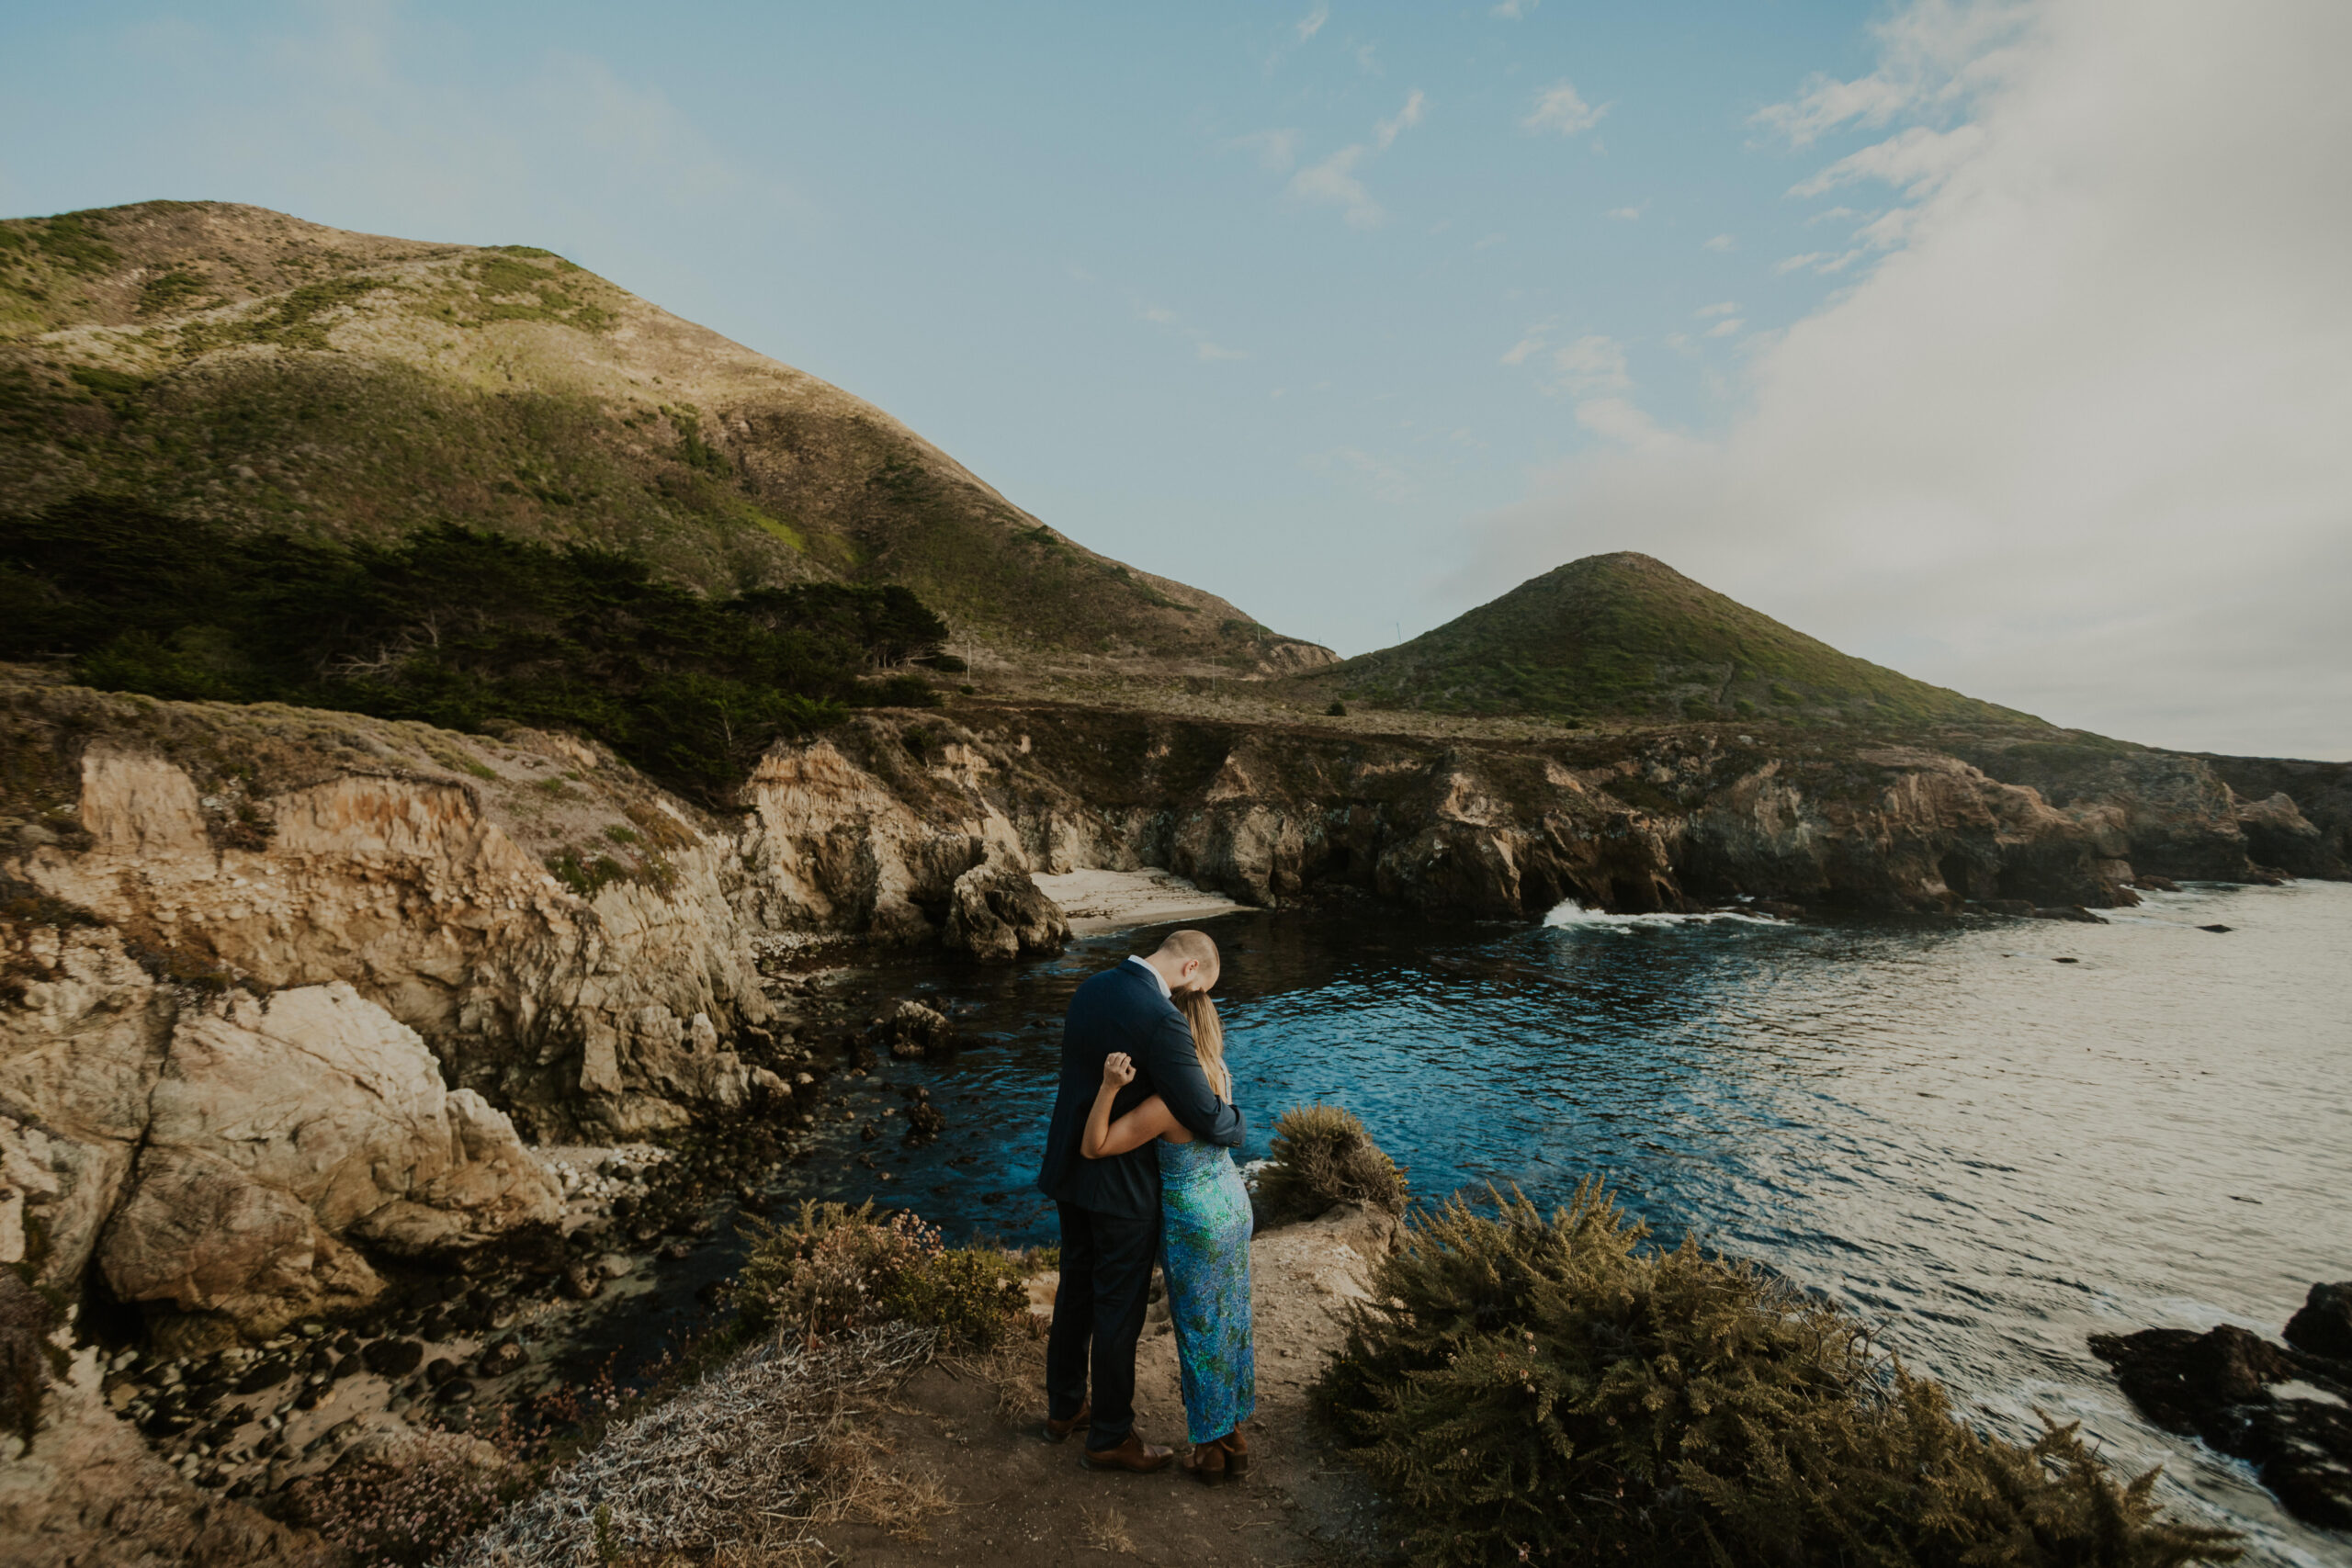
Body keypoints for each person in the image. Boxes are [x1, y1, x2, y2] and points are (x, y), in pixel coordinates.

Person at [1035, 930, 1244, 1473]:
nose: (1190, 998)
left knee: (1075, 1289)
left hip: (1070, 1170)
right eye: (1200, 986)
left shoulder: (1091, 988)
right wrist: (1237, 1122)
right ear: (1191, 968)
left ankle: (1063, 1409)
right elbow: (1200, 1111)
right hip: (1121, 1187)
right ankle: (1109, 1435)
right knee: (1117, 1310)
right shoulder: (1160, 1017)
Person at [1080, 984, 1256, 1484]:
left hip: (1196, 1219)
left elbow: (1096, 1145)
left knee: (1199, 1334)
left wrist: (1110, 1086)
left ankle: (1210, 1452)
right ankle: (1233, 1435)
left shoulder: (1170, 1102)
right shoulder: (1221, 1075)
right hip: (1233, 1205)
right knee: (1230, 1322)